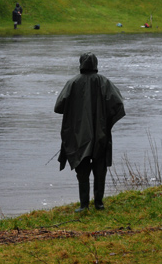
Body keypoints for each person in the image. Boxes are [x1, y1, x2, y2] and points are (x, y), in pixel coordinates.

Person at [54, 52, 125, 212]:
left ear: (80, 64)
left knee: (82, 168)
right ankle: (99, 204)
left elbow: (58, 107)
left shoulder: (72, 83)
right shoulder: (104, 82)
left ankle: (84, 205)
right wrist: (105, 117)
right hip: (101, 134)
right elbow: (118, 103)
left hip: (79, 134)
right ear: (96, 64)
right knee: (100, 169)